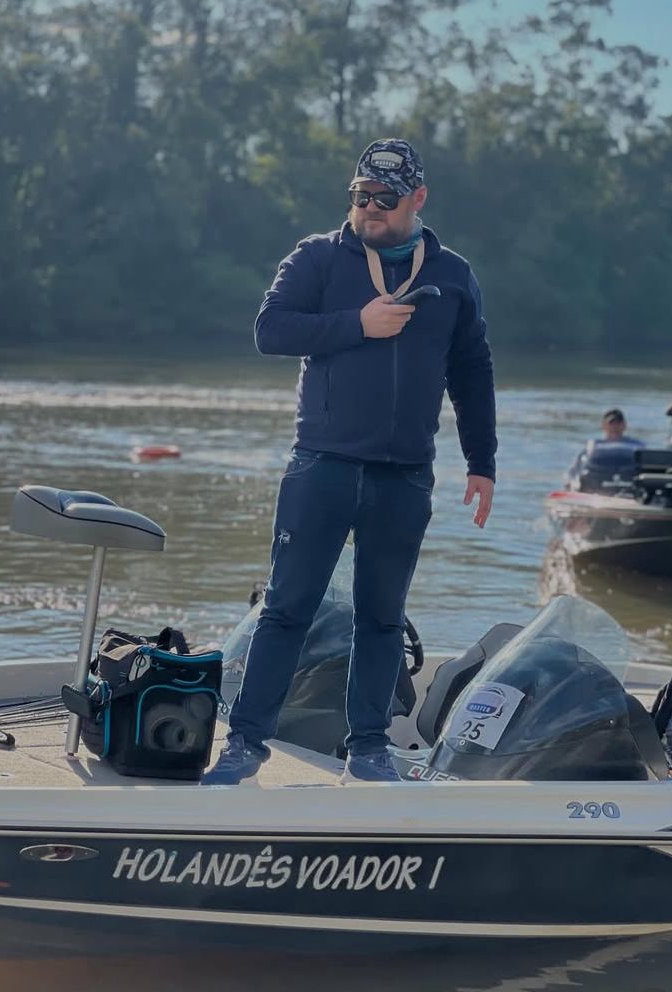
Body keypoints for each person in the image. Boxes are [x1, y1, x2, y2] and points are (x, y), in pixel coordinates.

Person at [204, 138, 497, 785]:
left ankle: (367, 749)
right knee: (286, 609)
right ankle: (244, 744)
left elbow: (473, 372)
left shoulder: (452, 275)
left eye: (384, 199)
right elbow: (270, 330)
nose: (368, 208)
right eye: (360, 195)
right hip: (322, 466)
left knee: (382, 618)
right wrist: (356, 324)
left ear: (418, 199)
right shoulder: (317, 257)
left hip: (404, 476)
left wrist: (482, 461)